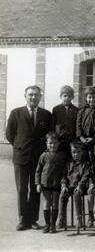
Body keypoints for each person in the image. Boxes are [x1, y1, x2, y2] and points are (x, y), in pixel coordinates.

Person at [6, 85, 52, 231]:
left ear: (40, 97)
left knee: (35, 189)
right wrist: (20, 146)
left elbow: (48, 135)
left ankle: (33, 220)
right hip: (21, 157)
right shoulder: (16, 113)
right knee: (21, 189)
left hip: (38, 159)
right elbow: (9, 134)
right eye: (30, 95)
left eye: (36, 95)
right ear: (25, 96)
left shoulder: (46, 115)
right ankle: (22, 219)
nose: (33, 97)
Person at [35, 132, 67, 233]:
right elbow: (38, 170)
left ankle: (53, 225)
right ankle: (47, 224)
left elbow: (64, 171)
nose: (52, 145)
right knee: (47, 202)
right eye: (50, 143)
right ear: (46, 143)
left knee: (55, 203)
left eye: (54, 143)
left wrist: (63, 183)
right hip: (45, 183)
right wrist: (38, 183)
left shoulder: (62, 156)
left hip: (56, 183)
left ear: (58, 143)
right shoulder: (43, 155)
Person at [58, 140, 90, 229]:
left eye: (78, 152)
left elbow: (85, 176)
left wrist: (80, 185)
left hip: (79, 187)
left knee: (76, 195)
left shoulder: (85, 164)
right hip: (69, 186)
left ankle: (79, 219)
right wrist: (63, 185)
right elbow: (64, 175)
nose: (76, 155)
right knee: (62, 195)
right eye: (73, 152)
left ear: (82, 152)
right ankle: (61, 218)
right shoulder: (68, 163)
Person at [51, 85, 79, 158]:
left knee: (70, 159)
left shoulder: (76, 110)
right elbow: (53, 125)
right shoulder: (56, 109)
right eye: (65, 96)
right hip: (59, 140)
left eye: (69, 96)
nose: (67, 98)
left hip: (72, 140)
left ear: (72, 97)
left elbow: (77, 126)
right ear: (61, 96)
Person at [76, 86, 95, 159]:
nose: (91, 99)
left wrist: (93, 138)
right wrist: (81, 137)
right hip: (82, 140)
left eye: (94, 97)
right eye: (89, 97)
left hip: (94, 141)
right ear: (86, 98)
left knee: (93, 158)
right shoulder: (81, 111)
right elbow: (78, 125)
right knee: (83, 158)